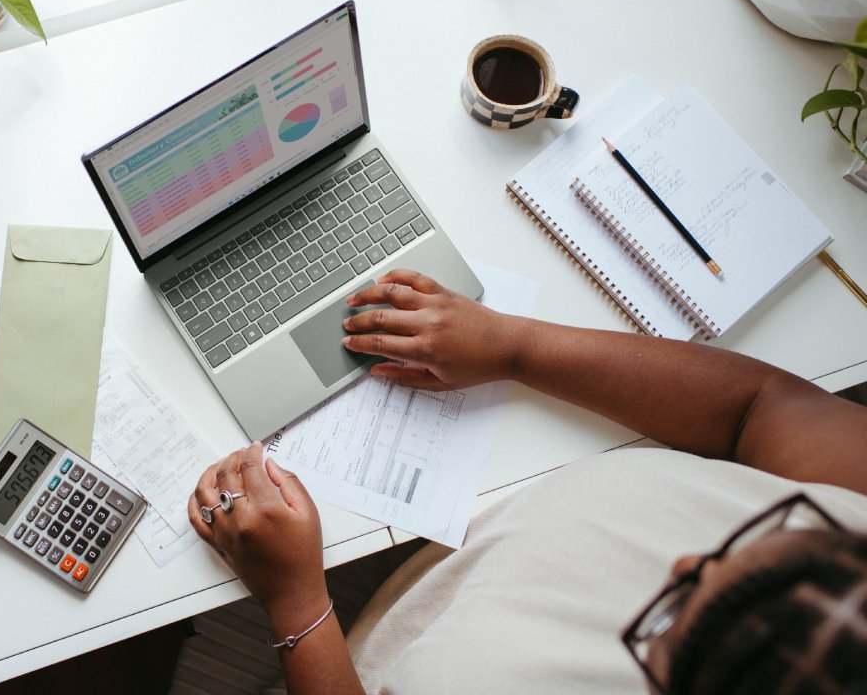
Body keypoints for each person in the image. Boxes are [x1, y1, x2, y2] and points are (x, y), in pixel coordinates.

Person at [187, 270, 867, 695]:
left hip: (335, 640)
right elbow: (760, 408)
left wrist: (297, 600)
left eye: (673, 612)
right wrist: (516, 347)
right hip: (451, 551)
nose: (685, 560)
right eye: (768, 532)